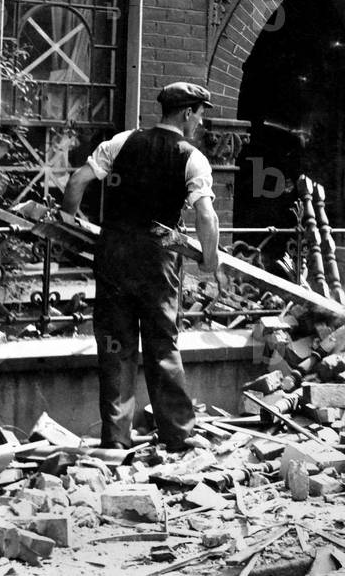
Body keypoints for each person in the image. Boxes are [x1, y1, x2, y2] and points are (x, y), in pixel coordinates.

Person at [62, 82, 225, 451]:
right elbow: (206, 216)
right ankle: (177, 435)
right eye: (199, 115)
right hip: (157, 257)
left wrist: (67, 222)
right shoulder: (192, 157)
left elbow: (76, 181)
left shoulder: (122, 142)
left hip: (114, 254)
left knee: (115, 346)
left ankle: (116, 439)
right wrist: (210, 259)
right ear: (187, 113)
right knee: (162, 344)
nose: (199, 123)